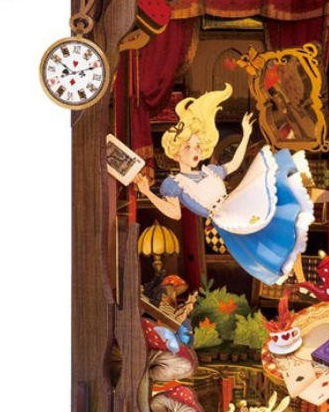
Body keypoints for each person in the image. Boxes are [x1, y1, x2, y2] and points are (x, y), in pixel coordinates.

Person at [134, 83, 317, 285]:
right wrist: (148, 193)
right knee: (262, 244)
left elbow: (234, 164)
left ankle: (297, 261)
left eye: (197, 146)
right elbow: (175, 213)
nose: (195, 151)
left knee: (274, 206)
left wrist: (246, 134)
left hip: (236, 203)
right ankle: (295, 274)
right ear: (176, 152)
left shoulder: (210, 171)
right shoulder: (175, 183)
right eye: (188, 147)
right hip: (224, 217)